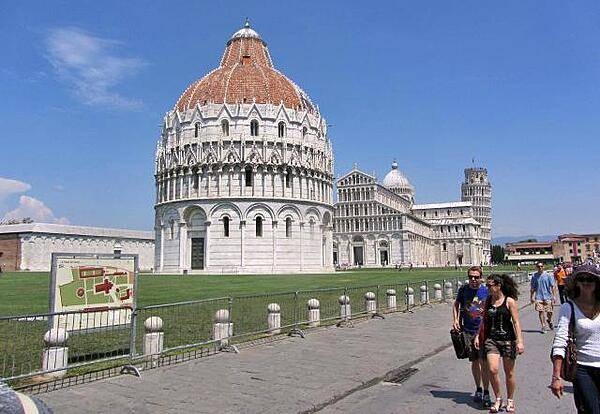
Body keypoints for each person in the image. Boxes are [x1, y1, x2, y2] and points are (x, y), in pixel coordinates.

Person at [550, 263, 600, 413]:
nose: (586, 282)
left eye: (590, 279)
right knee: (592, 410)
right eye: (582, 279)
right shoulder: (569, 307)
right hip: (582, 368)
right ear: (576, 282)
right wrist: (556, 377)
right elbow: (560, 341)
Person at [474, 274, 524, 413]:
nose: (487, 288)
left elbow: (516, 322)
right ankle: (498, 398)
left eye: (490, 285)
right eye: (487, 285)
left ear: (498, 286)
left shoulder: (509, 301)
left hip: (508, 339)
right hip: (492, 340)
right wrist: (478, 335)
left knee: (509, 373)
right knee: (493, 369)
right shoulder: (488, 300)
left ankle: (510, 400)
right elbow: (484, 320)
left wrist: (520, 341)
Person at [452, 266, 491, 407]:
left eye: (476, 277)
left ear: (481, 277)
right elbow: (456, 304)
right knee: (475, 362)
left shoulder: (486, 291)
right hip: (468, 330)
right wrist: (456, 319)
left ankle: (486, 392)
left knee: (484, 363)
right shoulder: (464, 290)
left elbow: (489, 311)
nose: (473, 279)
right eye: (471, 277)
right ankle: (478, 389)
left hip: (482, 332)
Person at [530, 262, 558, 332]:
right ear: (536, 267)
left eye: (541, 266)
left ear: (543, 267)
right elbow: (532, 287)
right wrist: (531, 297)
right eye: (539, 266)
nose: (540, 268)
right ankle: (543, 326)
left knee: (550, 312)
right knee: (541, 311)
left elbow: (553, 286)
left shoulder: (548, 275)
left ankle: (549, 320)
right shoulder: (534, 276)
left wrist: (554, 296)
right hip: (538, 297)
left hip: (548, 296)